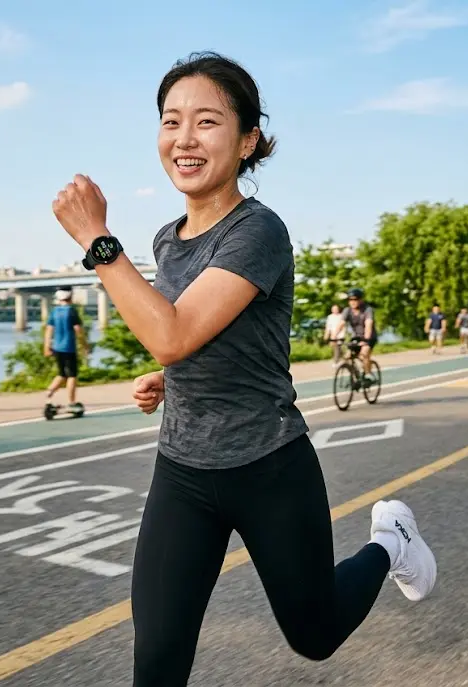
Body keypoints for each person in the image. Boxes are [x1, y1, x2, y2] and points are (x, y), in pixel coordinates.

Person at [50, 52, 436, 687]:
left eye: (206, 121)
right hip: (183, 472)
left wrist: (97, 239)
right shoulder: (167, 239)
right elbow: (197, 334)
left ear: (248, 140)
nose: (184, 138)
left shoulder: (259, 231)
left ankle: (390, 542)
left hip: (268, 466)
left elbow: (172, 334)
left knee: (315, 635)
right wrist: (172, 379)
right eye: (171, 121)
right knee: (158, 664)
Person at [43, 287, 85, 408]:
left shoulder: (54, 311)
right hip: (69, 348)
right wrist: (84, 345)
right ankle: (72, 402)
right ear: (70, 297)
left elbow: (49, 330)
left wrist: (47, 347)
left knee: (62, 374)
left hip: (57, 348)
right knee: (72, 375)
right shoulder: (71, 311)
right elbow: (78, 329)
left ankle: (49, 392)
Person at [344, 287, 377, 376]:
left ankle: (368, 374)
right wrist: (334, 336)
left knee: (364, 354)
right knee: (347, 357)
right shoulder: (347, 310)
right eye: (350, 300)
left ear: (360, 300)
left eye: (355, 299)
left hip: (369, 337)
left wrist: (366, 339)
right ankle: (356, 376)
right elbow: (341, 323)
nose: (352, 302)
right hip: (357, 337)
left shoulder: (367, 309)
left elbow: (368, 324)